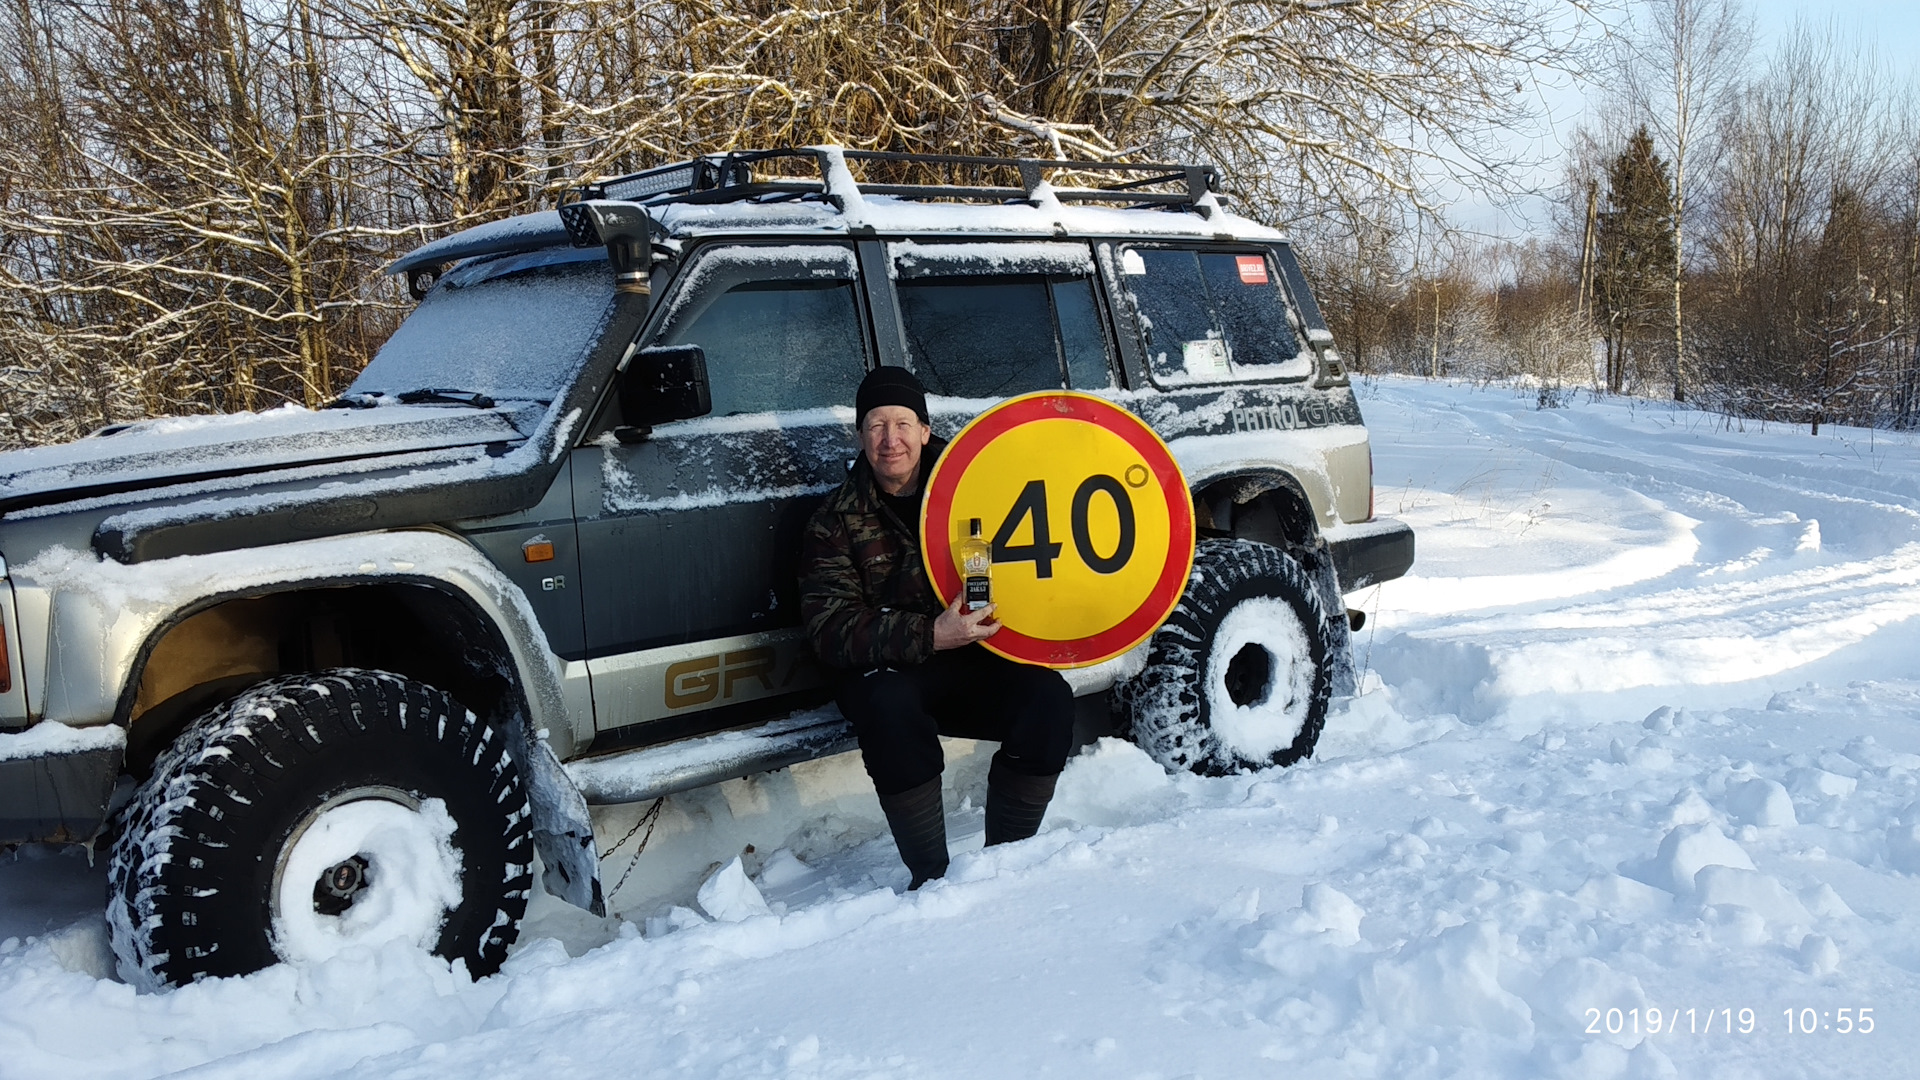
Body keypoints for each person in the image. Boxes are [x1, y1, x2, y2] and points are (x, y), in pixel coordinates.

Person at [799, 366, 1075, 889]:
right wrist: (930, 635)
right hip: (886, 669)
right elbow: (830, 629)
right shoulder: (833, 519)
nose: (890, 440)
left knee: (1048, 701)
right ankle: (932, 878)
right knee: (889, 709)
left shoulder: (979, 491)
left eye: (903, 423)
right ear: (860, 436)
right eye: (876, 425)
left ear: (926, 430)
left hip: (969, 657)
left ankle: (1005, 868)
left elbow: (1043, 554)